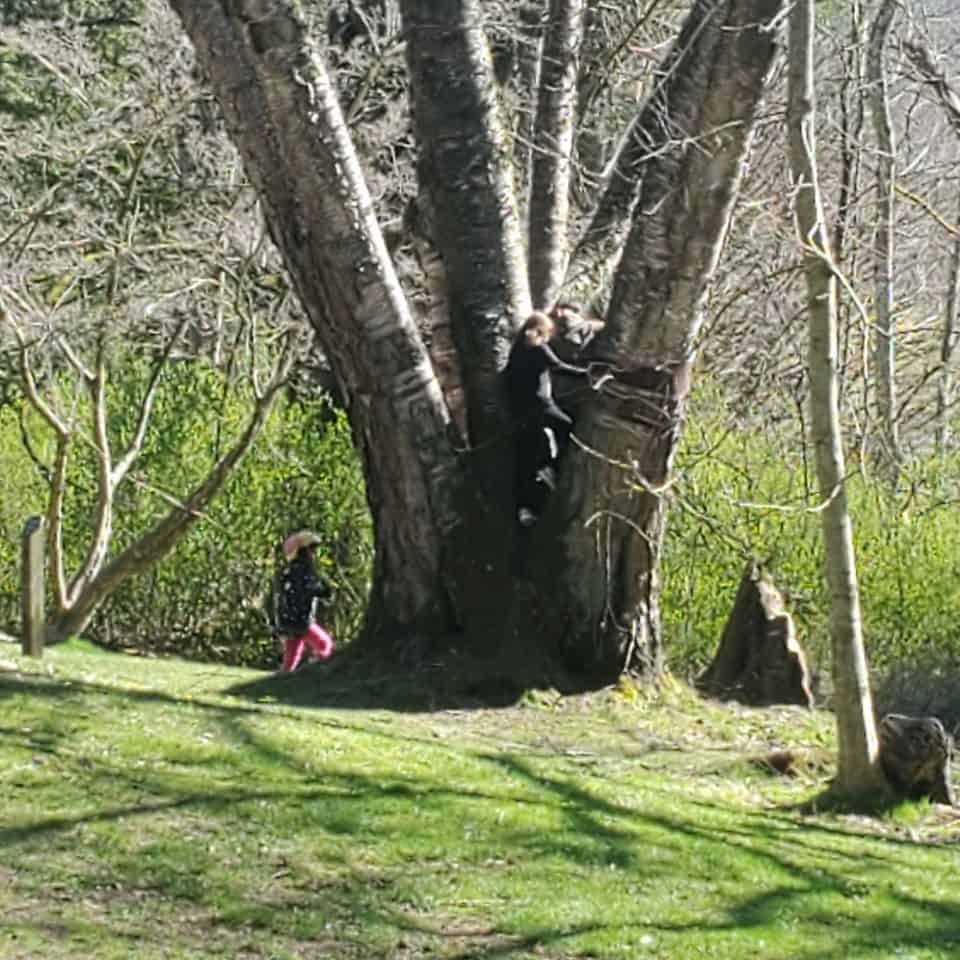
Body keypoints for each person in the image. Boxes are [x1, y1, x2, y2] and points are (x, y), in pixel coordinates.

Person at [505, 311, 587, 524]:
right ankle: (553, 467)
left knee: (527, 456)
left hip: (521, 411)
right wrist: (588, 374)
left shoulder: (517, 350)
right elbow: (558, 367)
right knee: (570, 428)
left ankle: (526, 506)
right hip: (541, 406)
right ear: (543, 331)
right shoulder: (538, 348)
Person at [275, 530, 334, 672]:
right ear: (305, 551)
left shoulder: (290, 570)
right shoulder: (304, 570)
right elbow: (310, 590)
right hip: (302, 620)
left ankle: (284, 678)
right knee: (324, 644)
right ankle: (321, 671)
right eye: (313, 549)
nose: (314, 553)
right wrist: (325, 590)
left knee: (292, 655)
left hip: (290, 619)